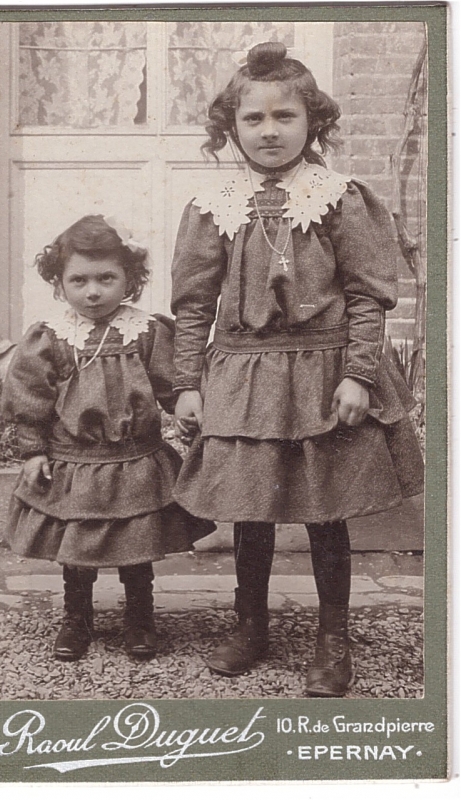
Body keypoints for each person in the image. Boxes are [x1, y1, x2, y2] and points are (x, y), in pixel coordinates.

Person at [170, 42, 424, 696]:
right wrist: (186, 383)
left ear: (314, 122)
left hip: (321, 370)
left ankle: (330, 639)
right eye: (252, 119)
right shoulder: (214, 206)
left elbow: (367, 292)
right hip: (244, 375)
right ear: (230, 127)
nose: (269, 131)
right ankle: (249, 625)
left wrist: (358, 373)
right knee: (249, 508)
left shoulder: (338, 198)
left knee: (323, 510)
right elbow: (195, 302)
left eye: (285, 116)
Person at [3, 215, 214, 663]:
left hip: (134, 459)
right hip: (74, 462)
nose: (93, 291)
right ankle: (76, 617)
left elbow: (171, 384)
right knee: (76, 547)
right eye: (78, 280)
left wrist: (183, 409)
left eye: (106, 278)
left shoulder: (146, 332)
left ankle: (140, 615)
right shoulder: (51, 338)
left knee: (136, 543)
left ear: (129, 280)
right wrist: (32, 451)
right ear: (59, 283)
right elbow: (31, 400)